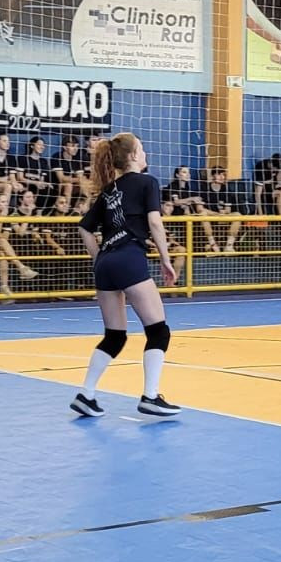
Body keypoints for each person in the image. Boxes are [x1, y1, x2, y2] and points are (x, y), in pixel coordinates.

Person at [72, 133, 180, 419]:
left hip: (105, 262)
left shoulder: (109, 190)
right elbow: (154, 222)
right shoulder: (147, 182)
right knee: (158, 331)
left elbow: (84, 228)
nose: (145, 154)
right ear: (132, 156)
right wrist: (166, 260)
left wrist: (99, 258)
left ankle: (86, 394)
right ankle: (150, 397)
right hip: (129, 257)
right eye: (141, 149)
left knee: (115, 336)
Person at [201, 166, 246, 254]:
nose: (222, 177)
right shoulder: (204, 188)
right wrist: (214, 214)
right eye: (219, 174)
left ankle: (229, 246)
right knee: (202, 214)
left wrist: (224, 212)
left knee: (237, 215)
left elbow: (228, 210)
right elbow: (200, 209)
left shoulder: (226, 190)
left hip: (222, 217)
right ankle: (213, 244)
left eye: (223, 175)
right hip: (210, 217)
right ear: (213, 176)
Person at [52, 134, 89, 210]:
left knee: (85, 185)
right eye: (72, 146)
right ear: (64, 147)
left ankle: (86, 208)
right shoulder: (57, 157)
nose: (75, 149)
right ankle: (66, 209)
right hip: (57, 186)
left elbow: (80, 177)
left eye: (77, 146)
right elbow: (61, 179)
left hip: (73, 184)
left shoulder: (77, 158)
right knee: (68, 185)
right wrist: (78, 179)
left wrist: (81, 180)